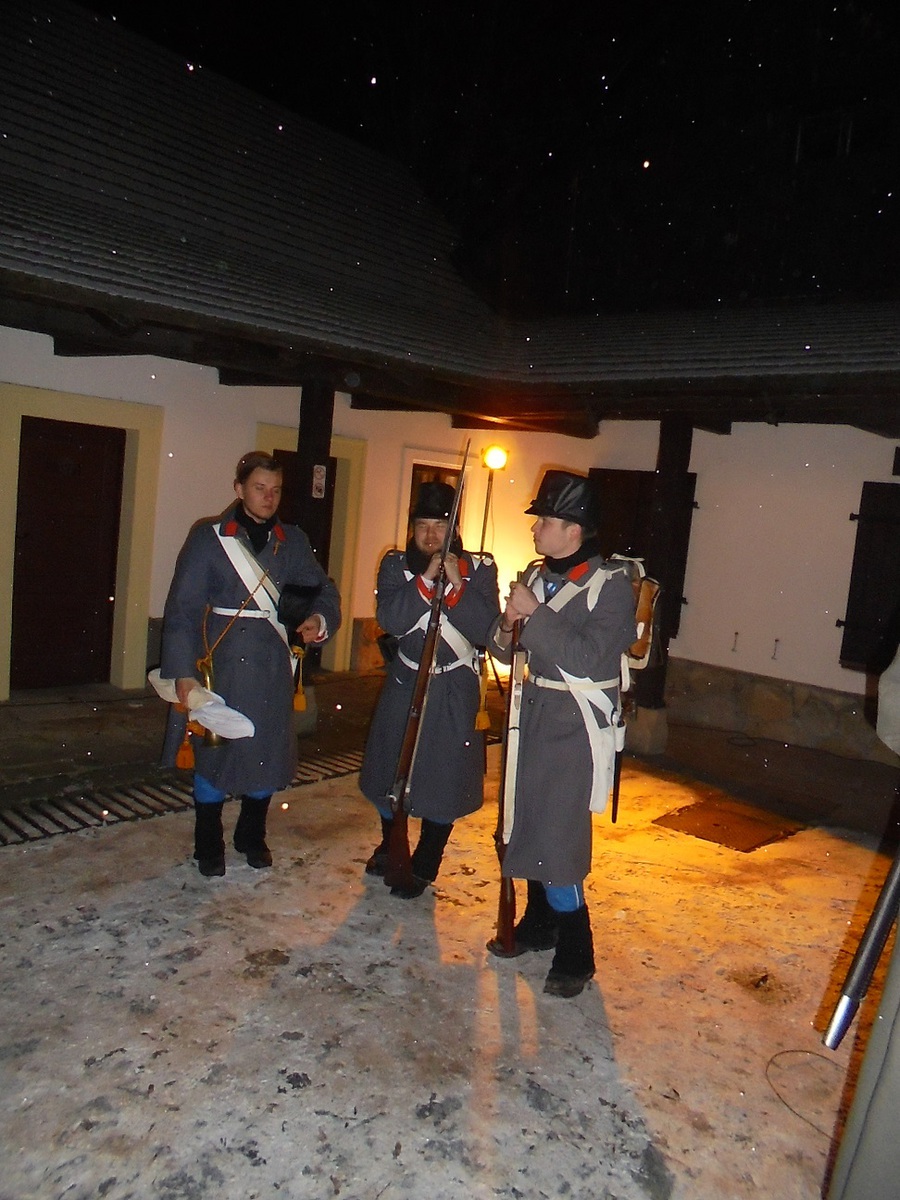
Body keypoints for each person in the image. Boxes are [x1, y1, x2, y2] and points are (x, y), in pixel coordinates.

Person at [486, 469, 636, 997]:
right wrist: (509, 623)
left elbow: (588, 657)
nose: (535, 529)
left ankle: (577, 950)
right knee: (525, 820)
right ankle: (539, 922)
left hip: (576, 726)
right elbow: (502, 649)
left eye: (545, 520)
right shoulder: (535, 575)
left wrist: (536, 614)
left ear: (573, 530)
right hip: (532, 716)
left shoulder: (611, 587)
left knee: (560, 837)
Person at [160, 451, 341, 877]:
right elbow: (183, 610)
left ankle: (251, 835)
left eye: (275, 490)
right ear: (239, 489)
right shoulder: (208, 539)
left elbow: (323, 591)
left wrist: (319, 620)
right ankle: (208, 842)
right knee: (214, 753)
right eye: (259, 488)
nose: (268, 497)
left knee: (265, 753)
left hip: (272, 667)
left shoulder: (292, 540)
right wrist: (183, 673)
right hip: (220, 665)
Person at [359, 480, 500, 898]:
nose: (431, 534)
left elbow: (486, 630)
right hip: (406, 679)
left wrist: (457, 586)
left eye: (440, 526)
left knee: (445, 777)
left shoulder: (480, 569)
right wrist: (424, 579)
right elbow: (391, 619)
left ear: (454, 529)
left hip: (455, 685)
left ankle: (427, 859)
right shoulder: (395, 566)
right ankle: (391, 843)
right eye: (423, 525)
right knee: (389, 769)